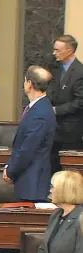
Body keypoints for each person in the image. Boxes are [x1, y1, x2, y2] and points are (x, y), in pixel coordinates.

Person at [3, 66, 56, 202]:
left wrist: (10, 171)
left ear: (29, 84)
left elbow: (28, 149)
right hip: (27, 180)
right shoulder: (38, 107)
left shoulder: (40, 113)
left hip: (32, 183)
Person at [47, 35, 83, 174]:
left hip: (71, 132)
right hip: (53, 130)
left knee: (68, 173)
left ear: (69, 51)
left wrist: (56, 110)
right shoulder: (55, 68)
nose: (54, 53)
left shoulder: (80, 72)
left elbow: (80, 101)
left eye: (57, 50)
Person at [36, 170, 83, 253]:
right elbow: (43, 249)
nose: (50, 191)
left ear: (63, 190)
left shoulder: (80, 219)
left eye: (53, 187)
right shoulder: (56, 214)